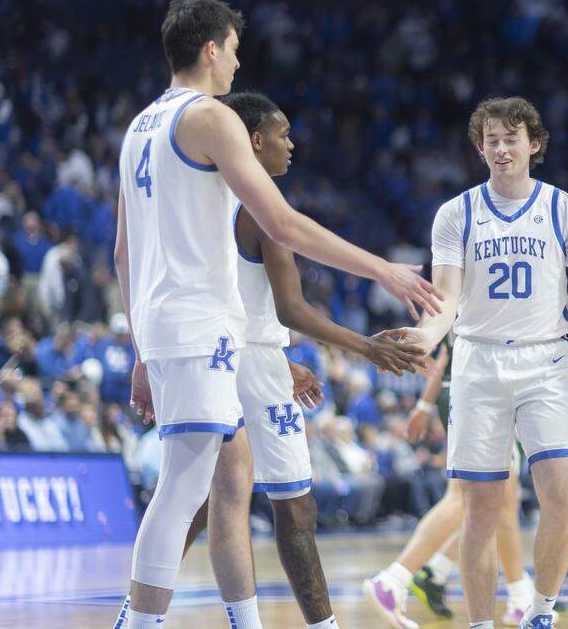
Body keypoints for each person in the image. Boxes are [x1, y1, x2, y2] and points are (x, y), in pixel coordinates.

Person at [112, 0, 440, 629]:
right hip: (198, 324)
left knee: (230, 485)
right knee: (184, 488)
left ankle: (246, 622)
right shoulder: (209, 117)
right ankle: (139, 622)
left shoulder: (138, 127)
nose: (237, 64)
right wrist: (384, 269)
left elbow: (124, 252)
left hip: (182, 331)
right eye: (234, 51)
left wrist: (141, 353)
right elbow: (282, 222)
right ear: (211, 50)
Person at [176, 91, 426, 629]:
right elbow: (292, 308)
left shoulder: (204, 198)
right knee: (294, 506)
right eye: (283, 133)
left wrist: (279, 360)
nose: (292, 144)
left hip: (211, 356)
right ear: (255, 141)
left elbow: (231, 301)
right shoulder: (262, 206)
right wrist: (368, 347)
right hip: (252, 363)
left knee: (198, 502)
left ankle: (139, 607)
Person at [387, 96, 568, 629]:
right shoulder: (456, 213)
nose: (501, 148)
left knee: (562, 494)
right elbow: (447, 299)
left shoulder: (567, 209)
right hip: (477, 363)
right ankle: (480, 623)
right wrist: (425, 337)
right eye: (491, 140)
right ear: (480, 148)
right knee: (481, 510)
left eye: (511, 138)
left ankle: (540, 611)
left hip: (546, 360)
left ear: (534, 144)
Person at [365, 341, 568, 628]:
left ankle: (509, 591)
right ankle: (395, 577)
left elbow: (443, 344)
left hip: (475, 383)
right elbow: (527, 337)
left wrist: (423, 400)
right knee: (469, 499)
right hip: (482, 386)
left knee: (501, 501)